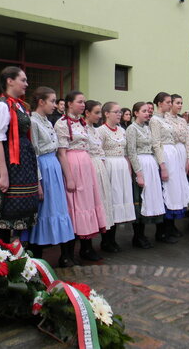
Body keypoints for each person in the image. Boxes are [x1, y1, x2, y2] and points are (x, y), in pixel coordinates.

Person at [0, 67, 40, 244]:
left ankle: (13, 257)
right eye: (23, 80)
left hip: (20, 161)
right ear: (10, 81)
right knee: (2, 213)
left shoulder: (19, 105)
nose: (26, 84)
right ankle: (0, 256)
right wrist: (3, 174)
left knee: (16, 211)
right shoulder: (2, 106)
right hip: (5, 162)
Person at [20, 87, 75, 263]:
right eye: (52, 101)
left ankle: (64, 255)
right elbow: (33, 153)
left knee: (57, 209)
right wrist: (38, 182)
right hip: (43, 167)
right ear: (41, 102)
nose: (55, 104)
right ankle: (36, 258)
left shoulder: (47, 121)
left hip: (53, 166)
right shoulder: (33, 122)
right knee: (44, 211)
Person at [55, 91, 106, 264]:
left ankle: (86, 248)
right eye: (80, 102)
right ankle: (66, 254)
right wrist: (69, 177)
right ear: (69, 104)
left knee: (87, 205)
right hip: (72, 165)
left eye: (84, 102)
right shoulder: (62, 124)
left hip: (85, 164)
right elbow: (61, 152)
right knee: (73, 209)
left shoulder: (82, 123)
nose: (83, 105)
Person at [150, 92, 189, 242]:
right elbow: (156, 143)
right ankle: (161, 232)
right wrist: (162, 165)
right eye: (168, 102)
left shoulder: (165, 119)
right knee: (166, 192)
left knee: (174, 191)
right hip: (165, 155)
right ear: (160, 103)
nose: (170, 104)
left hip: (173, 154)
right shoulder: (155, 120)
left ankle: (170, 227)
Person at [126, 102, 166, 248]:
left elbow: (154, 147)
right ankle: (137, 236)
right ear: (136, 113)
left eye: (148, 111)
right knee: (140, 199)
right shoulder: (131, 129)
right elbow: (131, 151)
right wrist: (139, 173)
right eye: (143, 111)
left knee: (150, 198)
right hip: (141, 164)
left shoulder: (148, 128)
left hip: (150, 163)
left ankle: (145, 234)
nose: (147, 113)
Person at [98, 102, 136, 251]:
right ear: (106, 114)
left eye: (120, 112)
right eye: (116, 112)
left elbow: (126, 152)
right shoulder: (100, 131)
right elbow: (98, 151)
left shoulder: (122, 130)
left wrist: (129, 167)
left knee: (120, 199)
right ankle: (106, 240)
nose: (119, 114)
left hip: (121, 167)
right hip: (109, 167)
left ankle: (113, 239)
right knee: (110, 201)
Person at [83, 100, 114, 258]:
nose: (99, 116)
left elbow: (100, 150)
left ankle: (105, 240)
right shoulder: (83, 130)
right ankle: (86, 246)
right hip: (88, 168)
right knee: (90, 206)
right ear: (87, 113)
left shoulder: (95, 130)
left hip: (100, 168)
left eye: (99, 113)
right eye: (96, 112)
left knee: (101, 204)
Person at [166, 93, 189, 228]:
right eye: (177, 103)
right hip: (171, 152)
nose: (180, 105)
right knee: (172, 187)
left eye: (181, 103)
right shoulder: (165, 119)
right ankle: (168, 223)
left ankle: (175, 222)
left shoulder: (182, 120)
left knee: (180, 187)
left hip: (182, 153)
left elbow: (187, 140)